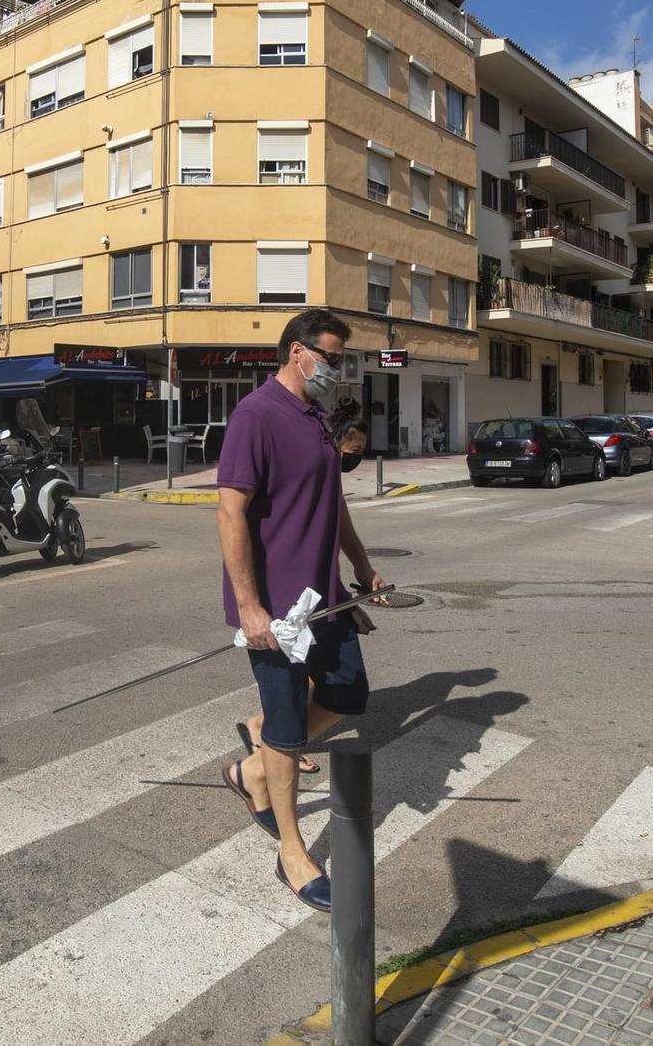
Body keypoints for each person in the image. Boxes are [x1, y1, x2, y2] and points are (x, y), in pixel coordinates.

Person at [215, 309, 385, 911]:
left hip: (325, 597)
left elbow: (332, 506)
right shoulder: (254, 417)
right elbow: (231, 512)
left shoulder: (318, 419)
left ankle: (254, 770)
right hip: (276, 611)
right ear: (297, 352)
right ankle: (292, 851)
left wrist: (359, 574)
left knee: (348, 694)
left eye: (341, 359)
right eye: (331, 357)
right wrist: (250, 606)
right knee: (287, 731)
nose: (336, 369)